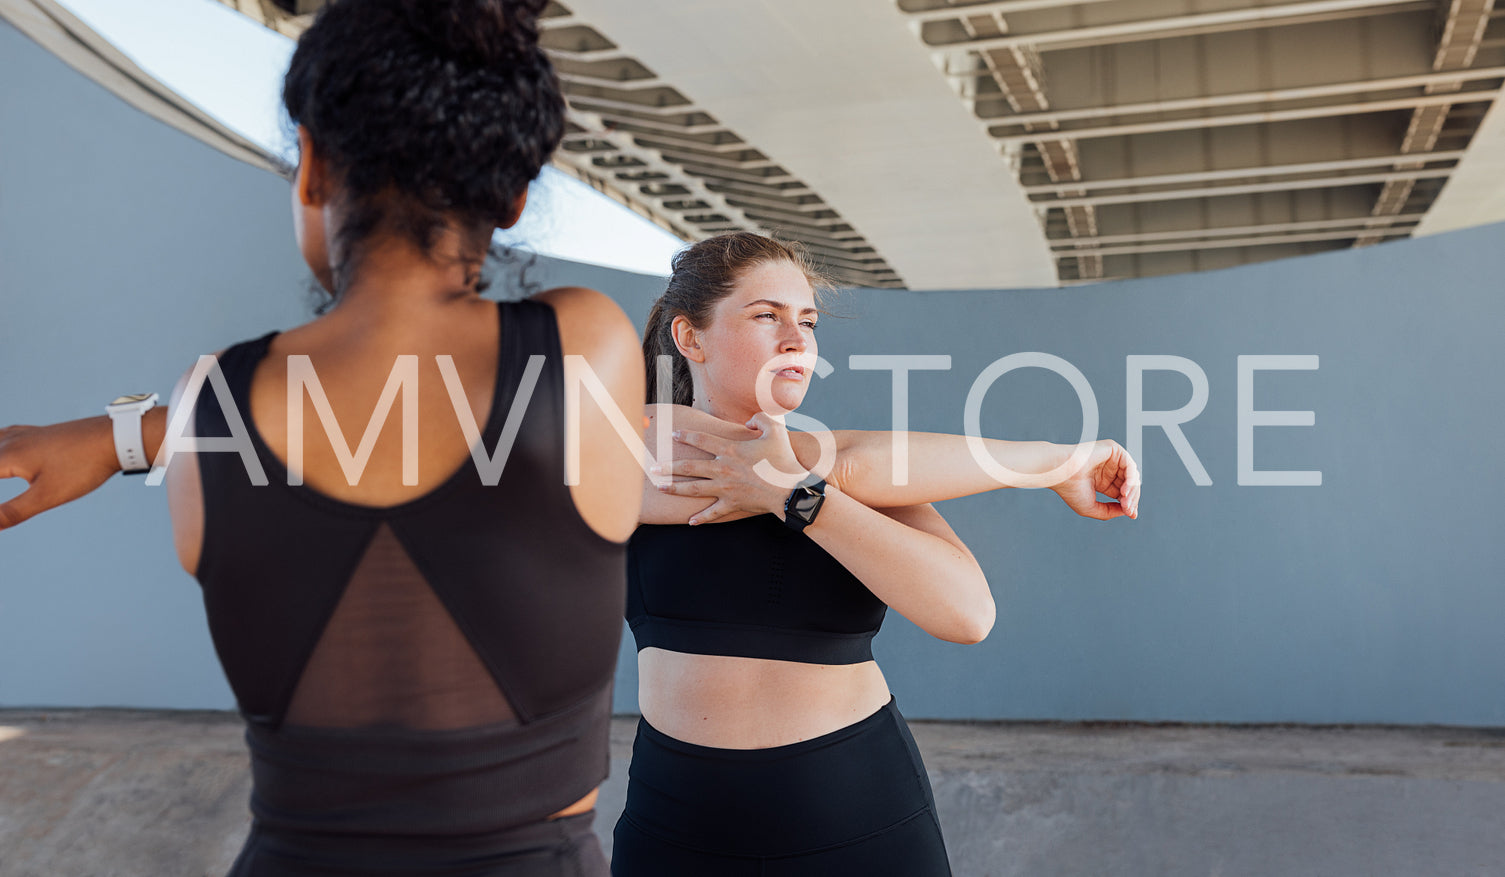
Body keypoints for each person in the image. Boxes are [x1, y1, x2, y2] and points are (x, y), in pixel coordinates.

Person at [0, 1, 643, 874]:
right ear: (515, 194)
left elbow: (313, 415)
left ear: (309, 165)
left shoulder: (211, 404)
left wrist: (118, 436)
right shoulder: (586, 349)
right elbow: (413, 406)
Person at [608, 232, 1140, 876]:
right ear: (690, 337)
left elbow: (967, 615)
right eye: (765, 316)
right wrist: (1056, 461)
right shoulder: (634, 447)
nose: (796, 339)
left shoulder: (855, 478)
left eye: (806, 320)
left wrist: (800, 499)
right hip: (679, 828)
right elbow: (848, 464)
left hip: (857, 815)